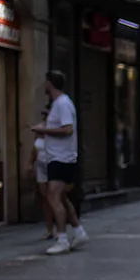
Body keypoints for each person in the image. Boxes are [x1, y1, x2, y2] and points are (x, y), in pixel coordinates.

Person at [31, 70, 88, 255]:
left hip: (61, 158)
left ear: (50, 83)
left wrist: (45, 130)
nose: (44, 85)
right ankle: (79, 231)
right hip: (59, 157)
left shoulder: (62, 104)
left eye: (46, 82)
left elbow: (67, 129)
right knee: (61, 197)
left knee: (53, 197)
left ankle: (62, 238)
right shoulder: (59, 104)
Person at [28, 105, 55, 240]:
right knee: (45, 198)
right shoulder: (39, 129)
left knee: (55, 197)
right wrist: (30, 163)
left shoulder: (56, 129)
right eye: (44, 114)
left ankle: (61, 227)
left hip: (53, 165)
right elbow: (34, 148)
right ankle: (49, 228)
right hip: (41, 166)